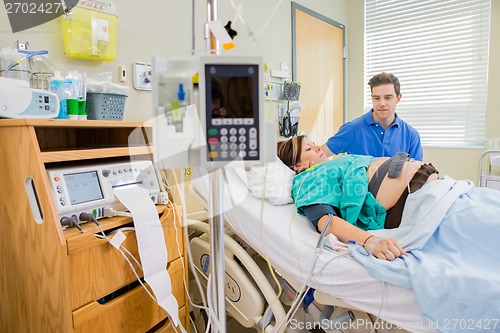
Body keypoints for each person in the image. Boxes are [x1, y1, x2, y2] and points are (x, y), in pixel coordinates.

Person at [277, 135, 439, 261]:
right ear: (297, 166)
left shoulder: (328, 167)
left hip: (422, 185)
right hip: (407, 200)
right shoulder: (307, 179)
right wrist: (370, 241)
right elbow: (326, 222)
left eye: (314, 143)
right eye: (309, 149)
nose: (318, 147)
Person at [321, 72, 423, 160]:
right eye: (377, 98)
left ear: (398, 98)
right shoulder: (352, 129)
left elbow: (418, 174)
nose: (382, 103)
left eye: (387, 98)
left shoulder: (411, 135)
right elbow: (319, 156)